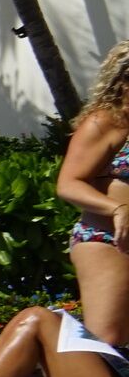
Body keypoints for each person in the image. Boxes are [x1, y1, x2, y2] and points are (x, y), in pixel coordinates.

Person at [56, 39, 129, 348]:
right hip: (107, 240)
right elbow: (69, 183)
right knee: (106, 340)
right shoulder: (106, 122)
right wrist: (116, 208)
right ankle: (42, 345)